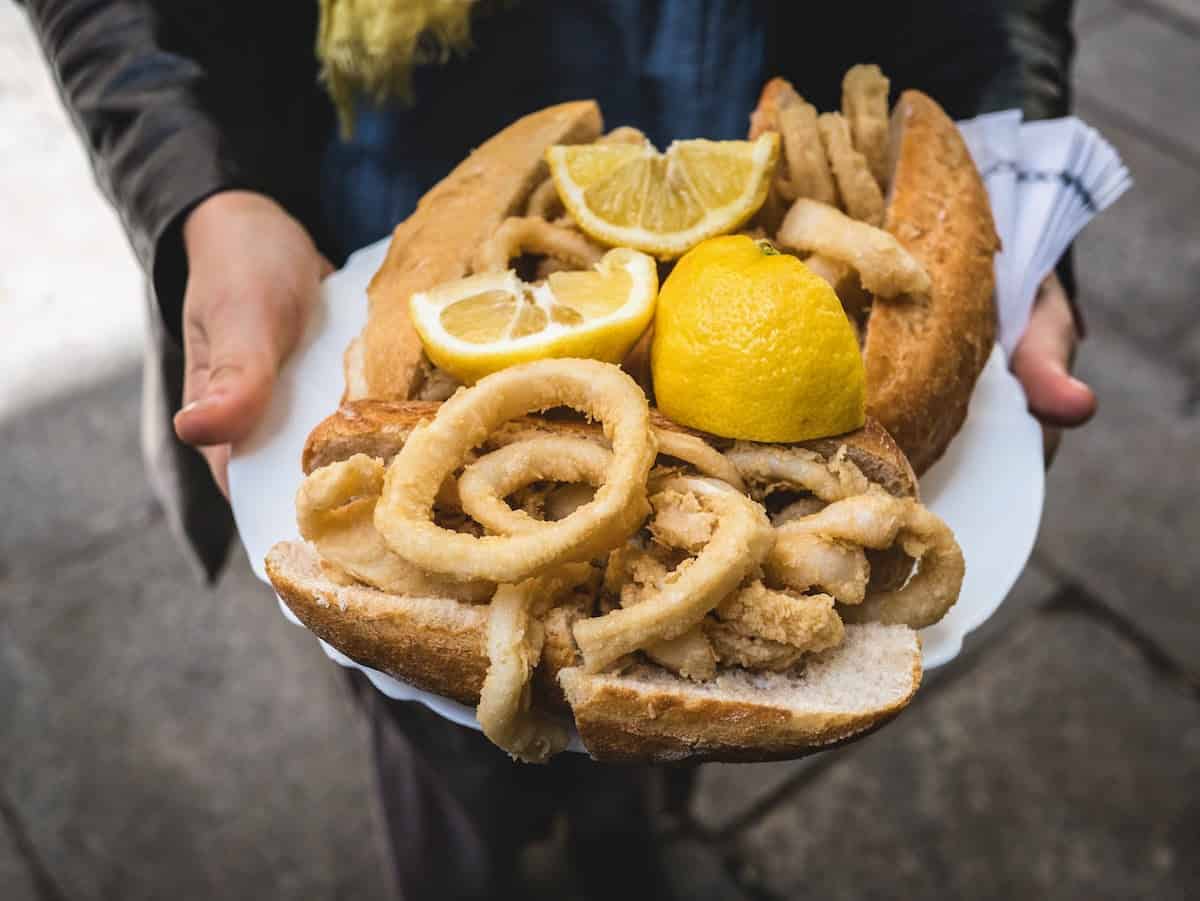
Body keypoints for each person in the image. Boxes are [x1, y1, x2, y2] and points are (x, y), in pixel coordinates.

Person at [22, 1, 1095, 897]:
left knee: (661, 754)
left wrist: (1020, 210)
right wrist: (204, 189)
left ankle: (629, 830)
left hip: (751, 235)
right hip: (376, 200)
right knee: (439, 764)